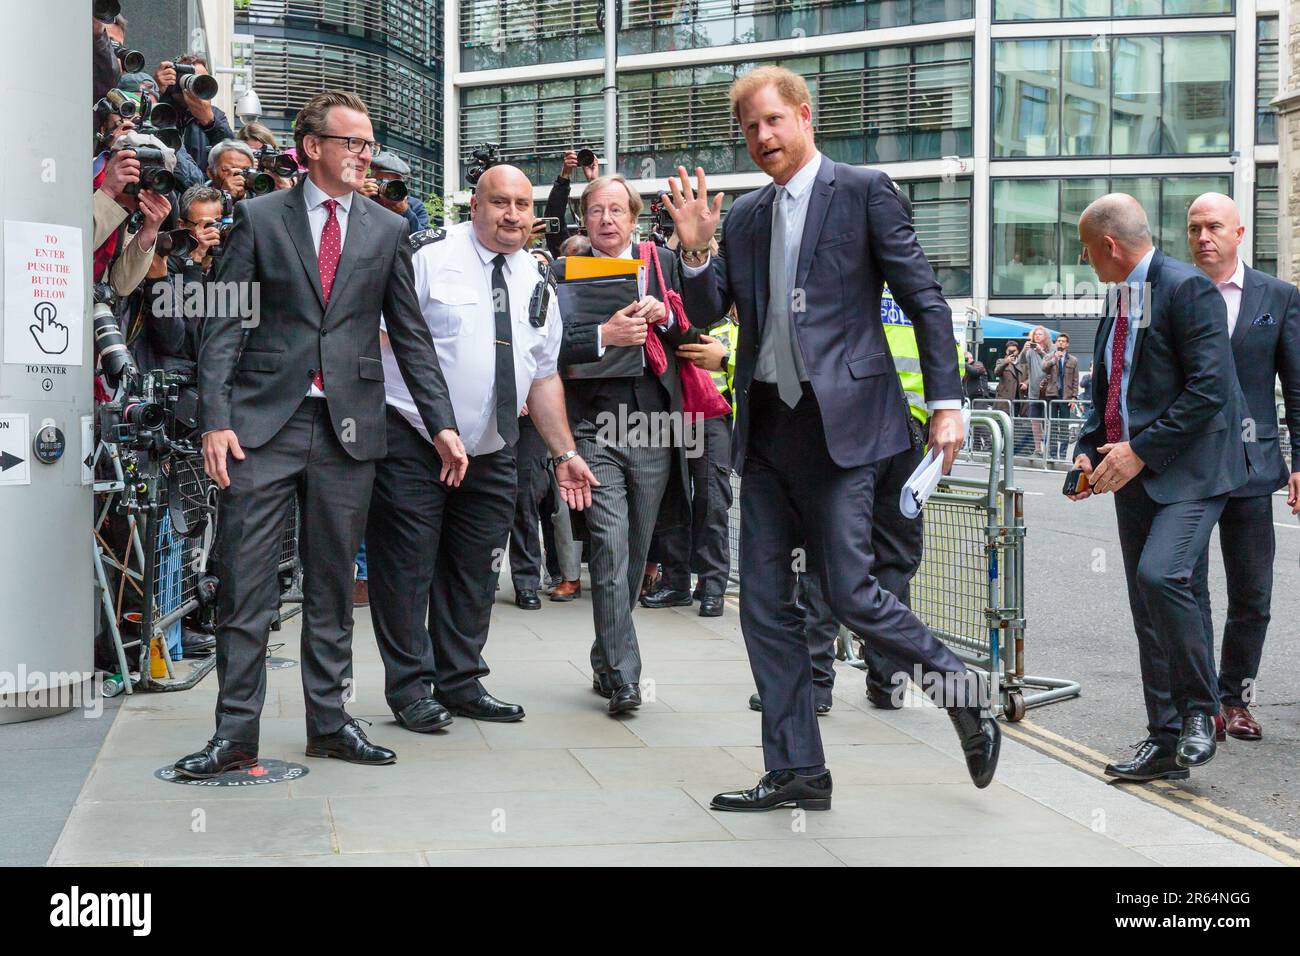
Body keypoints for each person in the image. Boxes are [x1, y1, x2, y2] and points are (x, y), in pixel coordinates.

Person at [665, 65, 999, 811]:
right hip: (768, 433)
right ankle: (798, 772)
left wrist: (947, 403)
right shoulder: (746, 218)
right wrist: (693, 252)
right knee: (762, 606)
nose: (762, 137)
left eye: (773, 121)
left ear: (805, 116)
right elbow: (711, 309)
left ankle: (961, 690)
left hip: (845, 428)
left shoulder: (863, 191)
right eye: (750, 128)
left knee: (850, 591)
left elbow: (925, 300)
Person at [174, 90, 468, 779]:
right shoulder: (256, 217)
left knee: (333, 588)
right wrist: (215, 420)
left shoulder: (386, 229)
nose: (364, 154)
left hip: (350, 430)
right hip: (261, 427)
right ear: (312, 149)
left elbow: (413, 340)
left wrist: (442, 423)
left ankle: (331, 725)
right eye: (352, 142)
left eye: (368, 143)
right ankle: (235, 737)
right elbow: (223, 327)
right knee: (244, 586)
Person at [366, 165, 597, 732]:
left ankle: (462, 681)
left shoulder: (537, 277)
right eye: (500, 202)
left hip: (494, 447)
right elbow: (375, 332)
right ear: (475, 204)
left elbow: (542, 376)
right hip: (412, 438)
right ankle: (410, 689)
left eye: (522, 203)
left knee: (474, 572)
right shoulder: (426, 253)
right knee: (407, 569)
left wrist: (565, 453)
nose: (512, 214)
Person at [1068, 193, 1247, 783]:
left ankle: (1202, 712)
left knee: (1161, 577)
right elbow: (1112, 390)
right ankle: (1166, 739)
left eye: (1088, 250)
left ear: (1111, 246)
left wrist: (1140, 451)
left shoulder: (1185, 288)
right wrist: (1085, 449)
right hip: (1131, 474)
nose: (1088, 260)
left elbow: (1210, 390)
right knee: (1153, 605)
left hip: (1190, 472)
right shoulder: (1119, 296)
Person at [557, 173, 698, 715]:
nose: (607, 220)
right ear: (584, 220)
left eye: (617, 210)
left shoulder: (661, 265)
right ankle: (624, 678)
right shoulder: (563, 272)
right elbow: (548, 348)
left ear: (633, 219)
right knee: (610, 549)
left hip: (653, 428)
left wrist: (666, 318)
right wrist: (603, 337)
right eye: (596, 211)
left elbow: (695, 334)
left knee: (636, 557)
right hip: (593, 426)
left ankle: (605, 654)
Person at [1186, 191, 1300, 742]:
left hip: (1253, 469)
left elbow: (1296, 387)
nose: (1203, 237)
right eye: (1194, 229)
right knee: (1184, 585)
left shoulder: (1278, 297)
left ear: (1239, 233)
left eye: (1213, 227)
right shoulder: (1171, 294)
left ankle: (1236, 698)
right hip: (1186, 469)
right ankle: (1202, 700)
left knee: (1252, 593)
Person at [360, 150, 428, 236]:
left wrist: (405, 212)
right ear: (370, 178)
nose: (388, 188)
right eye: (382, 182)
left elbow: (423, 240)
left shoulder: (415, 206)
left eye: (394, 183)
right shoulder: (359, 196)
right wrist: (360, 200)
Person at [1041, 332, 1080, 458]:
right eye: (1058, 341)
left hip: (1066, 397)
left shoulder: (1073, 360)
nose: (1061, 343)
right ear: (1056, 343)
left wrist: (1074, 397)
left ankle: (1062, 454)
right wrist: (1054, 359)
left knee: (1063, 427)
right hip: (1052, 395)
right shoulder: (1049, 356)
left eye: (1063, 341)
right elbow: (1044, 368)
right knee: (1052, 425)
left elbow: (1075, 380)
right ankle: (1052, 454)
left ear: (1067, 344)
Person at [993, 341, 1023, 407]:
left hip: (1020, 394)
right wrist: (1006, 362)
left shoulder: (1022, 363)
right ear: (1006, 351)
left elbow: (1029, 376)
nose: (1012, 352)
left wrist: (1026, 384)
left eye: (1014, 350)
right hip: (1006, 395)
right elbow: (996, 372)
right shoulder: (1001, 361)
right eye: (1010, 350)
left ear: (1018, 351)